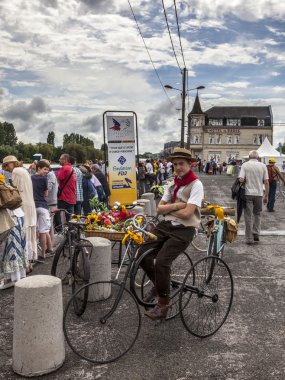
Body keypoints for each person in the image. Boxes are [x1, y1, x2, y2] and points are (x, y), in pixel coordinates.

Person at [138, 148, 204, 320]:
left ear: (190, 164)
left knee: (161, 261)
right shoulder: (173, 184)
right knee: (142, 254)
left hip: (185, 229)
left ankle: (164, 304)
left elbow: (188, 214)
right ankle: (159, 285)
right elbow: (159, 208)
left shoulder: (196, 185)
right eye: (175, 164)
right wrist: (178, 206)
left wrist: (170, 209)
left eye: (181, 164)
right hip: (167, 225)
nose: (178, 167)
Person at [2, 155, 37, 263]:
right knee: (31, 232)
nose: (7, 168)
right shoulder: (24, 170)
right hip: (30, 203)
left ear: (11, 163)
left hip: (23, 204)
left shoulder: (16, 172)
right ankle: (31, 259)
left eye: (7, 166)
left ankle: (25, 261)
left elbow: (14, 191)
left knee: (24, 231)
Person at [239, 150, 269, 245]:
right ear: (258, 157)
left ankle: (249, 238)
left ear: (249, 157)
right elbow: (266, 182)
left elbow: (241, 179)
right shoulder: (263, 166)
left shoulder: (245, 165)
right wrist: (266, 196)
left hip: (248, 193)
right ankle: (256, 233)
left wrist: (244, 183)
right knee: (257, 214)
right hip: (259, 194)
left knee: (248, 216)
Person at [31, 160, 53, 262]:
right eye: (45, 169)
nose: (46, 172)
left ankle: (33, 254)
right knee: (43, 232)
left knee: (35, 231)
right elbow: (46, 194)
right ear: (38, 168)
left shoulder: (30, 177)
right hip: (42, 206)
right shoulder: (44, 179)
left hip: (33, 206)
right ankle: (43, 255)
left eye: (47, 170)